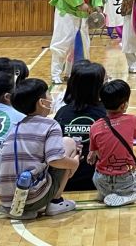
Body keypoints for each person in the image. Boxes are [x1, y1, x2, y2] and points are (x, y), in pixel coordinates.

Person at [0, 78, 80, 219]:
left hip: (6, 201)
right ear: (42, 102)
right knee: (68, 143)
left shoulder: (15, 127)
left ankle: (22, 207)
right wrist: (75, 162)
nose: (51, 98)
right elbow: (56, 160)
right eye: (48, 94)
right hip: (33, 198)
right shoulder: (50, 124)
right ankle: (56, 202)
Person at [53, 61, 107, 192]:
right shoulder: (106, 113)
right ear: (98, 87)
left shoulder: (62, 112)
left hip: (64, 181)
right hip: (98, 180)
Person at [88, 80, 136, 207]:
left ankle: (106, 193)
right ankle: (128, 196)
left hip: (101, 180)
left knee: (100, 169)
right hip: (125, 180)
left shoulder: (95, 126)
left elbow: (94, 152)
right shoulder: (133, 120)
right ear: (124, 105)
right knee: (133, 190)